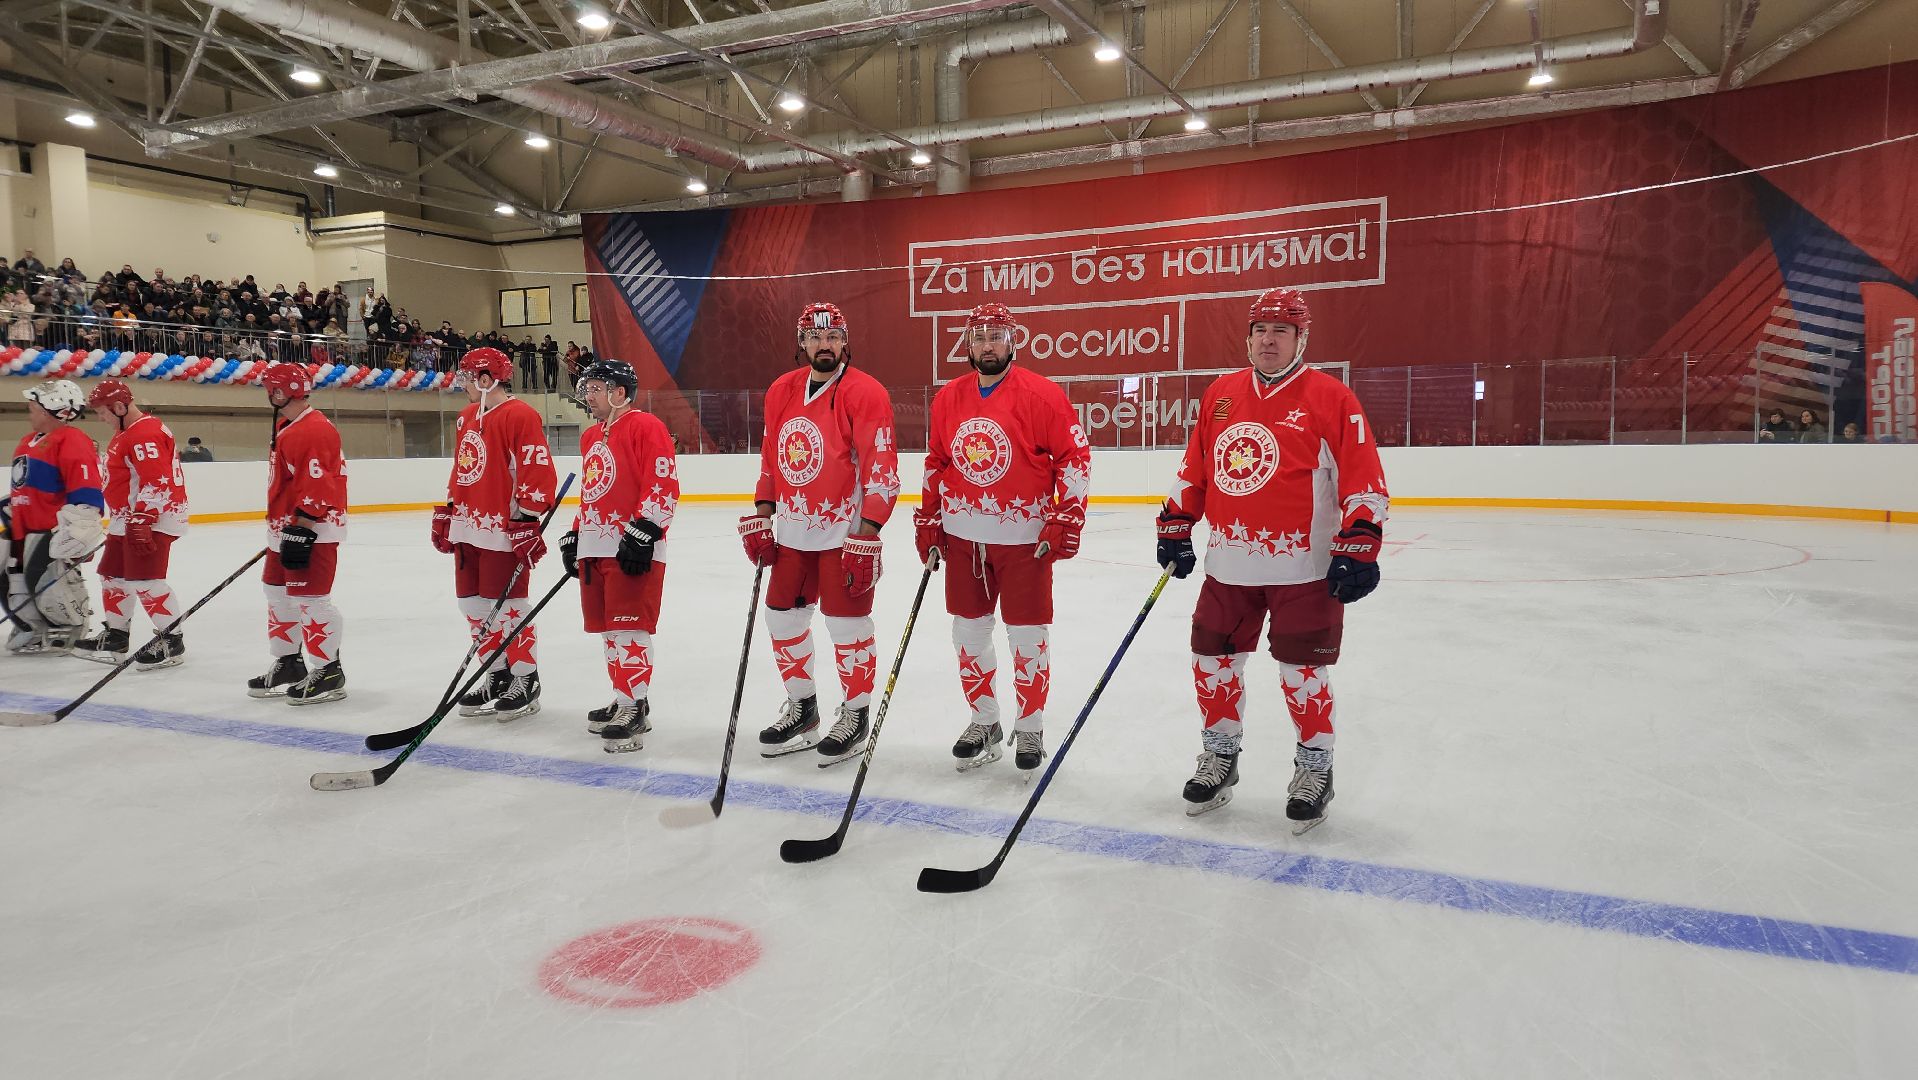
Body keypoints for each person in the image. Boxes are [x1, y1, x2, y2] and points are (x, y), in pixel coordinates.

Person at [1156, 287, 1390, 833]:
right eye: (1260, 330)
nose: (1267, 340)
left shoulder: (1331, 398)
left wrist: (1359, 540)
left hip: (1303, 570)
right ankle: (1220, 756)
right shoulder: (1220, 395)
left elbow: (1364, 480)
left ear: (1301, 338)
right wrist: (1174, 521)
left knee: (1301, 671)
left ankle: (1315, 767)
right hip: (1229, 566)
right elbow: (1196, 470)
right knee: (1212, 662)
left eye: (1280, 331)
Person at [915, 302, 1090, 775]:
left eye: (995, 336)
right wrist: (929, 518)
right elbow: (937, 462)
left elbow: (1073, 457)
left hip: (1024, 538)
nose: (986, 345)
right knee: (968, 633)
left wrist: (1065, 516)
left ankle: (1030, 726)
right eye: (978, 337)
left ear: (1013, 340)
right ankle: (984, 720)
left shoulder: (1043, 394)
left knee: (1027, 635)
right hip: (963, 537)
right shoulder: (949, 396)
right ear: (967, 345)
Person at [739, 302, 900, 763]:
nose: (823, 344)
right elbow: (771, 456)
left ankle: (855, 712)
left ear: (844, 341)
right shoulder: (780, 390)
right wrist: (762, 511)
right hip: (792, 531)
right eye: (813, 336)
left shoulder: (864, 392)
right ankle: (804, 706)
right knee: (781, 617)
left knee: (847, 624)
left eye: (831, 337)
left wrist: (868, 530)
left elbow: (882, 467)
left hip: (843, 533)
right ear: (801, 342)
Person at [434, 347, 559, 722]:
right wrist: (451, 507)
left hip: (502, 528)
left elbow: (537, 467)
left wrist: (528, 518)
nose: (464, 386)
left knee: (507, 606)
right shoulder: (466, 417)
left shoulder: (521, 415)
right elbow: (463, 467)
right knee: (472, 606)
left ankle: (525, 677)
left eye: (469, 378)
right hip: (468, 525)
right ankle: (497, 673)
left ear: (487, 380)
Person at [561, 358, 679, 752]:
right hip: (597, 547)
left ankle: (635, 705)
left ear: (619, 393)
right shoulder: (591, 437)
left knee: (630, 628)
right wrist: (577, 535)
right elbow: (592, 492)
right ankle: (622, 695)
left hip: (633, 547)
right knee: (610, 629)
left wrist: (646, 529)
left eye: (596, 388)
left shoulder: (646, 426)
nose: (588, 396)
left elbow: (663, 481)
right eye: (588, 388)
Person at [249, 363, 349, 705]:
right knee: (275, 591)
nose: (268, 395)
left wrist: (302, 528)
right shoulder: (288, 426)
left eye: (270, 389)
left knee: (311, 599)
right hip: (286, 528)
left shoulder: (313, 429)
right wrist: (281, 532)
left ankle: (329, 669)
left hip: (311, 529)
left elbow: (318, 482)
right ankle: (290, 662)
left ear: (279, 392)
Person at [73, 380, 190, 668]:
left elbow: (157, 478)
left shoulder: (144, 433)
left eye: (103, 412)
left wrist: (144, 518)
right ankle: (116, 635)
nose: (101, 418)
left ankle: (171, 641)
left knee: (146, 581)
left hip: (152, 518)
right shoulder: (127, 431)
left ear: (120, 406)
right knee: (112, 575)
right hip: (127, 516)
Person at [4, 380, 104, 654]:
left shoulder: (72, 439)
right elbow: (23, 484)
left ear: (53, 410)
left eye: (34, 407)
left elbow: (84, 486)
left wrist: (80, 525)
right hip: (23, 527)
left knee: (44, 577)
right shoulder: (27, 441)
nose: (30, 412)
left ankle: (70, 624)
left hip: (51, 527)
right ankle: (31, 626)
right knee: (12, 577)